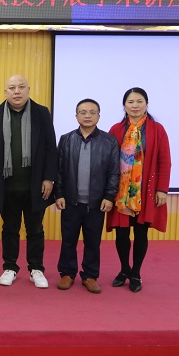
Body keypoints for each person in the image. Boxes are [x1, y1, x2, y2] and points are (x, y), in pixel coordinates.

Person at [0, 74, 58, 289]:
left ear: (28, 90)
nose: (16, 91)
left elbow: (50, 147)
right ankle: (10, 267)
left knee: (35, 229)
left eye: (21, 87)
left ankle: (36, 268)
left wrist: (49, 178)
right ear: (5, 92)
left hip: (36, 186)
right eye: (12, 88)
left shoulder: (41, 113)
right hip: (7, 186)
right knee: (10, 228)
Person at [106, 87, 171, 293]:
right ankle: (124, 269)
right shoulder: (116, 129)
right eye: (131, 102)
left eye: (139, 101)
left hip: (145, 191)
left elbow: (164, 161)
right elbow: (107, 161)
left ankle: (136, 273)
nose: (135, 105)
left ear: (146, 104)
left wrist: (162, 189)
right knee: (122, 233)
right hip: (121, 191)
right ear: (124, 105)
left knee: (141, 233)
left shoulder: (157, 129)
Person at [55, 99, 120, 294]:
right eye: (83, 112)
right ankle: (67, 273)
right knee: (68, 239)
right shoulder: (66, 140)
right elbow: (58, 170)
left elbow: (114, 172)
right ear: (76, 116)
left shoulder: (109, 141)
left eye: (92, 112)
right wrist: (59, 194)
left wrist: (109, 196)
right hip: (71, 201)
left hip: (97, 203)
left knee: (93, 241)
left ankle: (90, 275)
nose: (87, 115)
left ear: (99, 116)